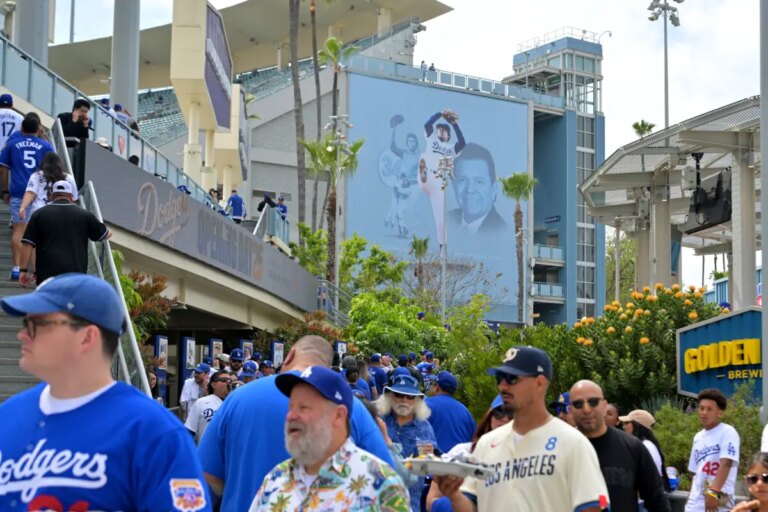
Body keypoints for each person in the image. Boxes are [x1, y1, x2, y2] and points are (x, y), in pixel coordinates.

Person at [0, 273, 210, 510]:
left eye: (35, 325)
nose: (22, 334)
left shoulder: (153, 432)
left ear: (87, 337)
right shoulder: (7, 416)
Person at [199, 335, 394, 512]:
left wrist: (240, 488)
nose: (291, 416)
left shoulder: (237, 399)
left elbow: (208, 474)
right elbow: (387, 479)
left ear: (289, 355)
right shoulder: (352, 407)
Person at [433, 346, 609, 512]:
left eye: (511, 378)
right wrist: (453, 494)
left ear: (540, 383)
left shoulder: (572, 442)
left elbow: (592, 507)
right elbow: (471, 506)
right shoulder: (487, 443)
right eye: (499, 378)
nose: (502, 386)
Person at [249, 366, 409, 511]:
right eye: (291, 407)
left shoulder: (382, 484)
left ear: (338, 416)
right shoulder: (275, 478)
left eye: (303, 407)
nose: (291, 416)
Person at [570, 380, 669, 512]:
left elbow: (657, 500)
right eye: (578, 404)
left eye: (593, 402)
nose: (586, 409)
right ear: (571, 409)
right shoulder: (562, 450)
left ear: (604, 405)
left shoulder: (632, 447)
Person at [426, 395, 513, 511]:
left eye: (512, 413)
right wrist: (447, 502)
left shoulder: (524, 458)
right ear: (490, 416)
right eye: (499, 412)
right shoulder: (462, 451)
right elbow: (431, 499)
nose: (505, 418)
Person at [19, 180, 110, 287]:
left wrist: (23, 270)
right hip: (76, 275)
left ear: (52, 196)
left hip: (46, 275)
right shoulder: (84, 215)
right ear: (71, 196)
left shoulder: (39, 214)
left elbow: (27, 244)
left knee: (48, 303)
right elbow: (103, 234)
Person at [0, 114, 54, 280]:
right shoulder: (46, 146)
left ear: (22, 129)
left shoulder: (12, 144)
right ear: (38, 129)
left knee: (19, 228)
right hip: (39, 193)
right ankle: (36, 270)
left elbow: (3, 169)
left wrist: (4, 191)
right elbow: (54, 168)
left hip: (18, 190)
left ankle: (17, 267)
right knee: (37, 232)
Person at [377, 373, 437, 512]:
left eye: (410, 396)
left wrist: (400, 464)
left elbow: (425, 465)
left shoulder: (424, 429)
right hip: (377, 498)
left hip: (409, 501)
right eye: (399, 395)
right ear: (390, 397)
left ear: (417, 400)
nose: (404, 400)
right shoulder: (380, 420)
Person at [685, 388, 740, 512]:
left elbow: (726, 463)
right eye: (701, 408)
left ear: (720, 412)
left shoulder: (728, 431)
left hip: (718, 503)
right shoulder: (698, 437)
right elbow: (695, 473)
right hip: (695, 504)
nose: (704, 412)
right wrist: (689, 500)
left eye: (709, 409)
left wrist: (713, 492)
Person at [419, 109, 466, 247]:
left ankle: (442, 248)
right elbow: (427, 125)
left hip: (439, 181)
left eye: (444, 130)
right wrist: (440, 113)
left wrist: (453, 124)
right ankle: (422, 173)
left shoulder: (450, 148)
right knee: (423, 156)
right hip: (426, 175)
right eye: (439, 129)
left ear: (448, 135)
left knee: (440, 218)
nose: (441, 131)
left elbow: (462, 143)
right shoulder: (431, 138)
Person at [446, 143, 506, 235]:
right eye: (462, 180)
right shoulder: (444, 221)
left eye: (479, 182)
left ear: (494, 189)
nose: (469, 189)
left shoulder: (501, 232)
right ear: (454, 185)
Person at [425, 371, 476, 454]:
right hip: (460, 463)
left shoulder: (426, 404)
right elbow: (474, 439)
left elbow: (416, 435)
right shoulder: (465, 411)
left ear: (437, 387)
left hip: (434, 463)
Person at [20, 152, 79, 221]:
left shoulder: (36, 175)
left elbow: (30, 193)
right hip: (61, 212)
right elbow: (73, 198)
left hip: (39, 211)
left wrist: (23, 207)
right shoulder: (68, 177)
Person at [620, 409, 670, 488]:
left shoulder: (645, 446)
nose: (623, 427)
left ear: (637, 425)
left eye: (627, 423)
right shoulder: (644, 444)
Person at [186, 370, 235, 444]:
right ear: (214, 385)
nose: (228, 383)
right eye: (224, 380)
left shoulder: (236, 403)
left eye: (230, 380)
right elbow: (189, 431)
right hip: (205, 451)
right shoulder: (201, 402)